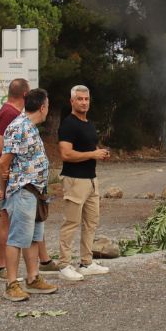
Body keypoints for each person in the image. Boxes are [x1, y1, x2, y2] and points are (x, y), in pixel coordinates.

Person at [0, 88, 59, 301]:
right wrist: (3, 189)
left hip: (36, 193)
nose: (47, 109)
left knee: (33, 237)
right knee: (17, 238)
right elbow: (4, 161)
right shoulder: (19, 127)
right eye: (47, 105)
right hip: (23, 191)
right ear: (42, 107)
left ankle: (33, 278)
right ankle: (11, 283)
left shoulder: (30, 127)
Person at [57, 85, 112, 282]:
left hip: (91, 179)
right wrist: (92, 154)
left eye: (86, 99)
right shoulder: (68, 124)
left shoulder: (88, 123)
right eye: (79, 99)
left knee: (91, 222)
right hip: (74, 180)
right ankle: (64, 264)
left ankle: (86, 262)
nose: (83, 102)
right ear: (72, 101)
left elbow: (89, 148)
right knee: (71, 222)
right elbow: (65, 154)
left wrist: (99, 152)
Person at [0, 78, 28, 282]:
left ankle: (4, 266)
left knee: (8, 219)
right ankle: (2, 267)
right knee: (6, 220)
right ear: (25, 95)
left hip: (7, 174)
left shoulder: (9, 112)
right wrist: (9, 163)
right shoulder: (9, 113)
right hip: (5, 175)